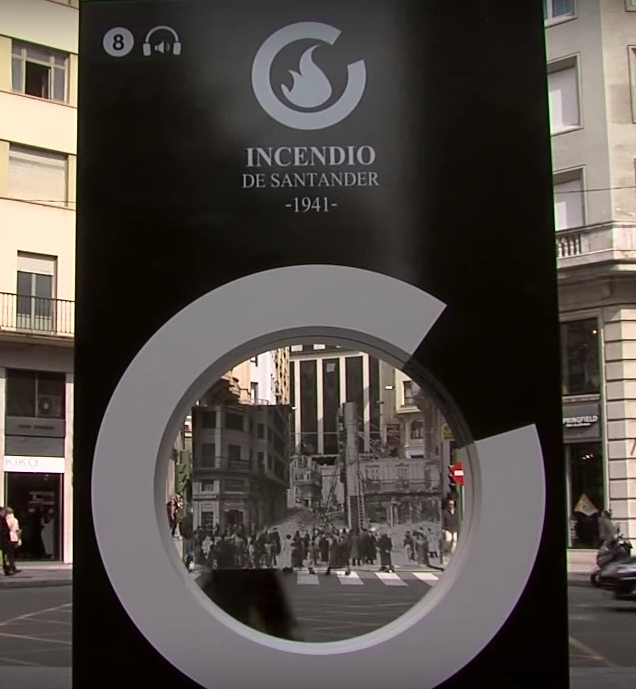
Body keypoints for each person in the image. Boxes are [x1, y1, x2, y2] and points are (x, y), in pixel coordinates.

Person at [3, 508, 21, 575]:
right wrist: (19, 539)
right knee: (11, 554)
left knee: (7, 554)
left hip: (8, 538)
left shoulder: (7, 520)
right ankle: (13, 567)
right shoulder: (15, 520)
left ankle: (9, 568)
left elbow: (6, 528)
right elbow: (17, 530)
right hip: (14, 538)